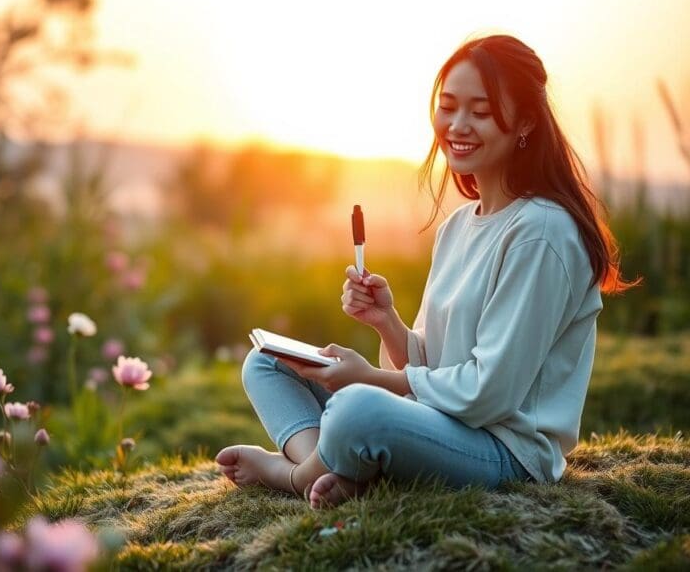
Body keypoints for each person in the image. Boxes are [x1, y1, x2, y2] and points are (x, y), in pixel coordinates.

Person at [215, 33, 636, 509]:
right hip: (444, 424)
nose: (457, 125)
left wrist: (368, 380)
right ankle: (336, 466)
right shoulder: (459, 225)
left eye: (480, 111)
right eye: (449, 106)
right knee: (267, 361)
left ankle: (294, 472)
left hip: (504, 451)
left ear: (523, 121)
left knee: (357, 408)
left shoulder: (542, 231)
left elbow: (487, 393)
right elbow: (432, 368)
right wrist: (386, 323)